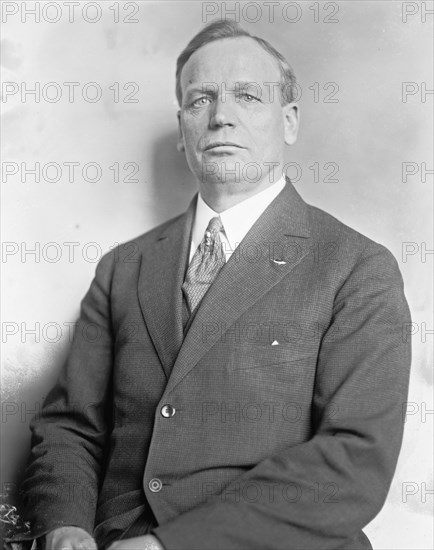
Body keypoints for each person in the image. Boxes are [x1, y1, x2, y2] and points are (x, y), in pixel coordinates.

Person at [14, 19, 411, 550]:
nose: (221, 116)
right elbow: (70, 426)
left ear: (289, 121)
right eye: (201, 100)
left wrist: (167, 546)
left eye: (248, 96)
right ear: (182, 130)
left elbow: (353, 461)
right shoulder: (122, 267)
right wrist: (65, 529)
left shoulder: (358, 268)